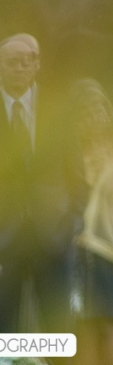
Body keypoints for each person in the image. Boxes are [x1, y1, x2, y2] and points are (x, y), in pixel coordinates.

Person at [0, 34, 85, 333]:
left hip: (53, 233)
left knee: (59, 325)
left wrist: (74, 221)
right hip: (2, 235)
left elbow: (75, 171)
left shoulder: (60, 110)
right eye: (12, 62)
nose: (19, 67)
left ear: (37, 64)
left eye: (27, 60)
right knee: (2, 325)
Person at [73, 79, 113, 365]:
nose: (96, 115)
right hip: (80, 246)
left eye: (100, 107)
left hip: (108, 247)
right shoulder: (72, 154)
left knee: (108, 322)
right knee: (86, 321)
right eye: (86, 110)